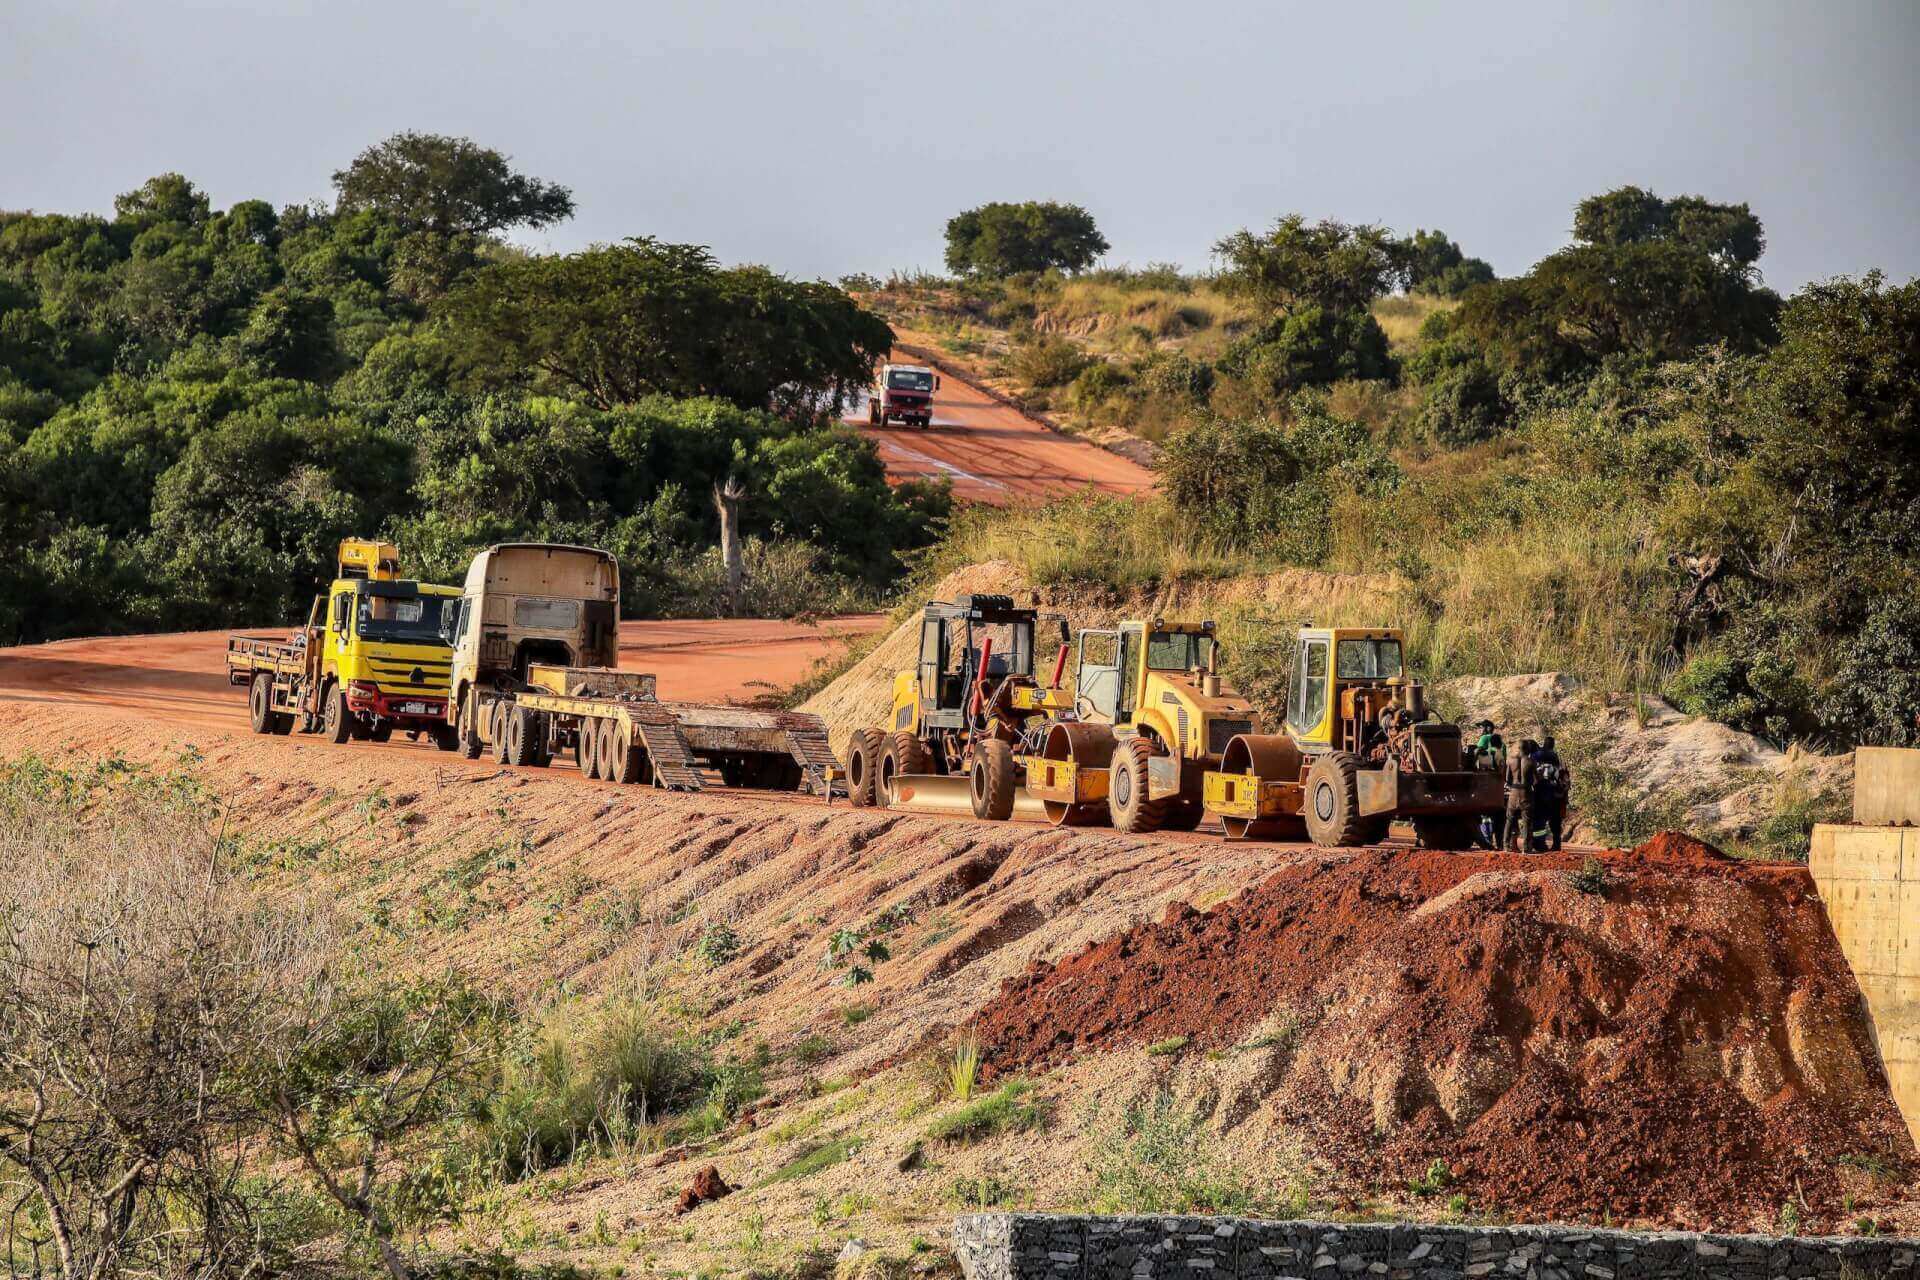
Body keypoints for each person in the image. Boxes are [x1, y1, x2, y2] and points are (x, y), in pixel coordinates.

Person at [1532, 735, 1568, 851]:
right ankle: (1557, 844)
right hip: (1554, 793)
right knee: (1555, 820)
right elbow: (1561, 775)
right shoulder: (1556, 756)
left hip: (1539, 791)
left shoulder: (1536, 755)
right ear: (1553, 745)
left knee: (1539, 819)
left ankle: (1539, 844)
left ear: (1544, 744)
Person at [1503, 738, 1538, 853]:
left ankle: (1506, 846)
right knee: (1527, 820)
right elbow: (1536, 780)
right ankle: (1526, 848)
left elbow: (1507, 779)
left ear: (1518, 748)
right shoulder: (1531, 761)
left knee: (1509, 819)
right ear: (1527, 749)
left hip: (1513, 793)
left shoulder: (1510, 761)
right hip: (1526, 793)